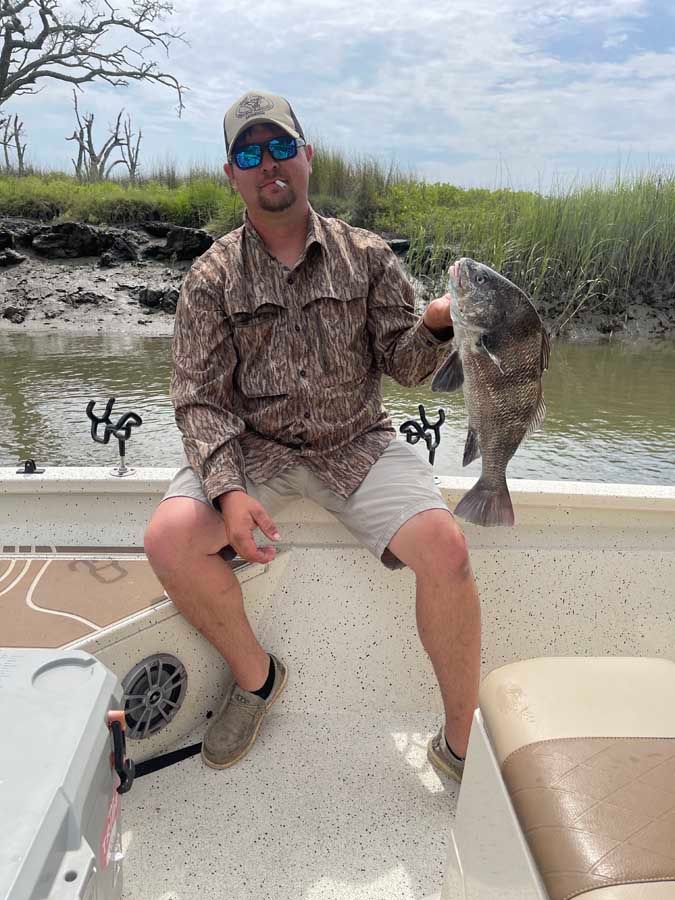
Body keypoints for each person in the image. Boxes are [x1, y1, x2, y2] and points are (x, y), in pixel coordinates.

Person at [144, 90, 481, 782]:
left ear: (306, 155)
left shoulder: (368, 256)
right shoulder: (209, 276)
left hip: (353, 440)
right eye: (248, 153)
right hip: (252, 448)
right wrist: (229, 492)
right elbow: (198, 400)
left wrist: (441, 319)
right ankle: (257, 677)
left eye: (279, 147)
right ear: (231, 174)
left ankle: (459, 748)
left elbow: (408, 365)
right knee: (169, 540)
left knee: (446, 548)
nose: (267, 164)